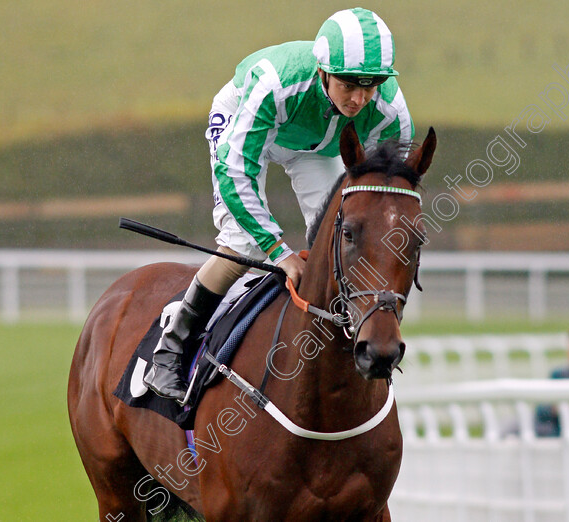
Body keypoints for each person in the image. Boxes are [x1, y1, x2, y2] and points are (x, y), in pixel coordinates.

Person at [144, 8, 416, 402]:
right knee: (244, 243)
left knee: (337, 237)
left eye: (371, 86)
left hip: (316, 147)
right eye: (349, 85)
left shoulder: (392, 114)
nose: (359, 98)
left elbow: (381, 202)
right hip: (248, 123)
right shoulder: (275, 84)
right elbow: (235, 172)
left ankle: (334, 339)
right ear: (323, 71)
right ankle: (171, 348)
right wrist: (279, 251)